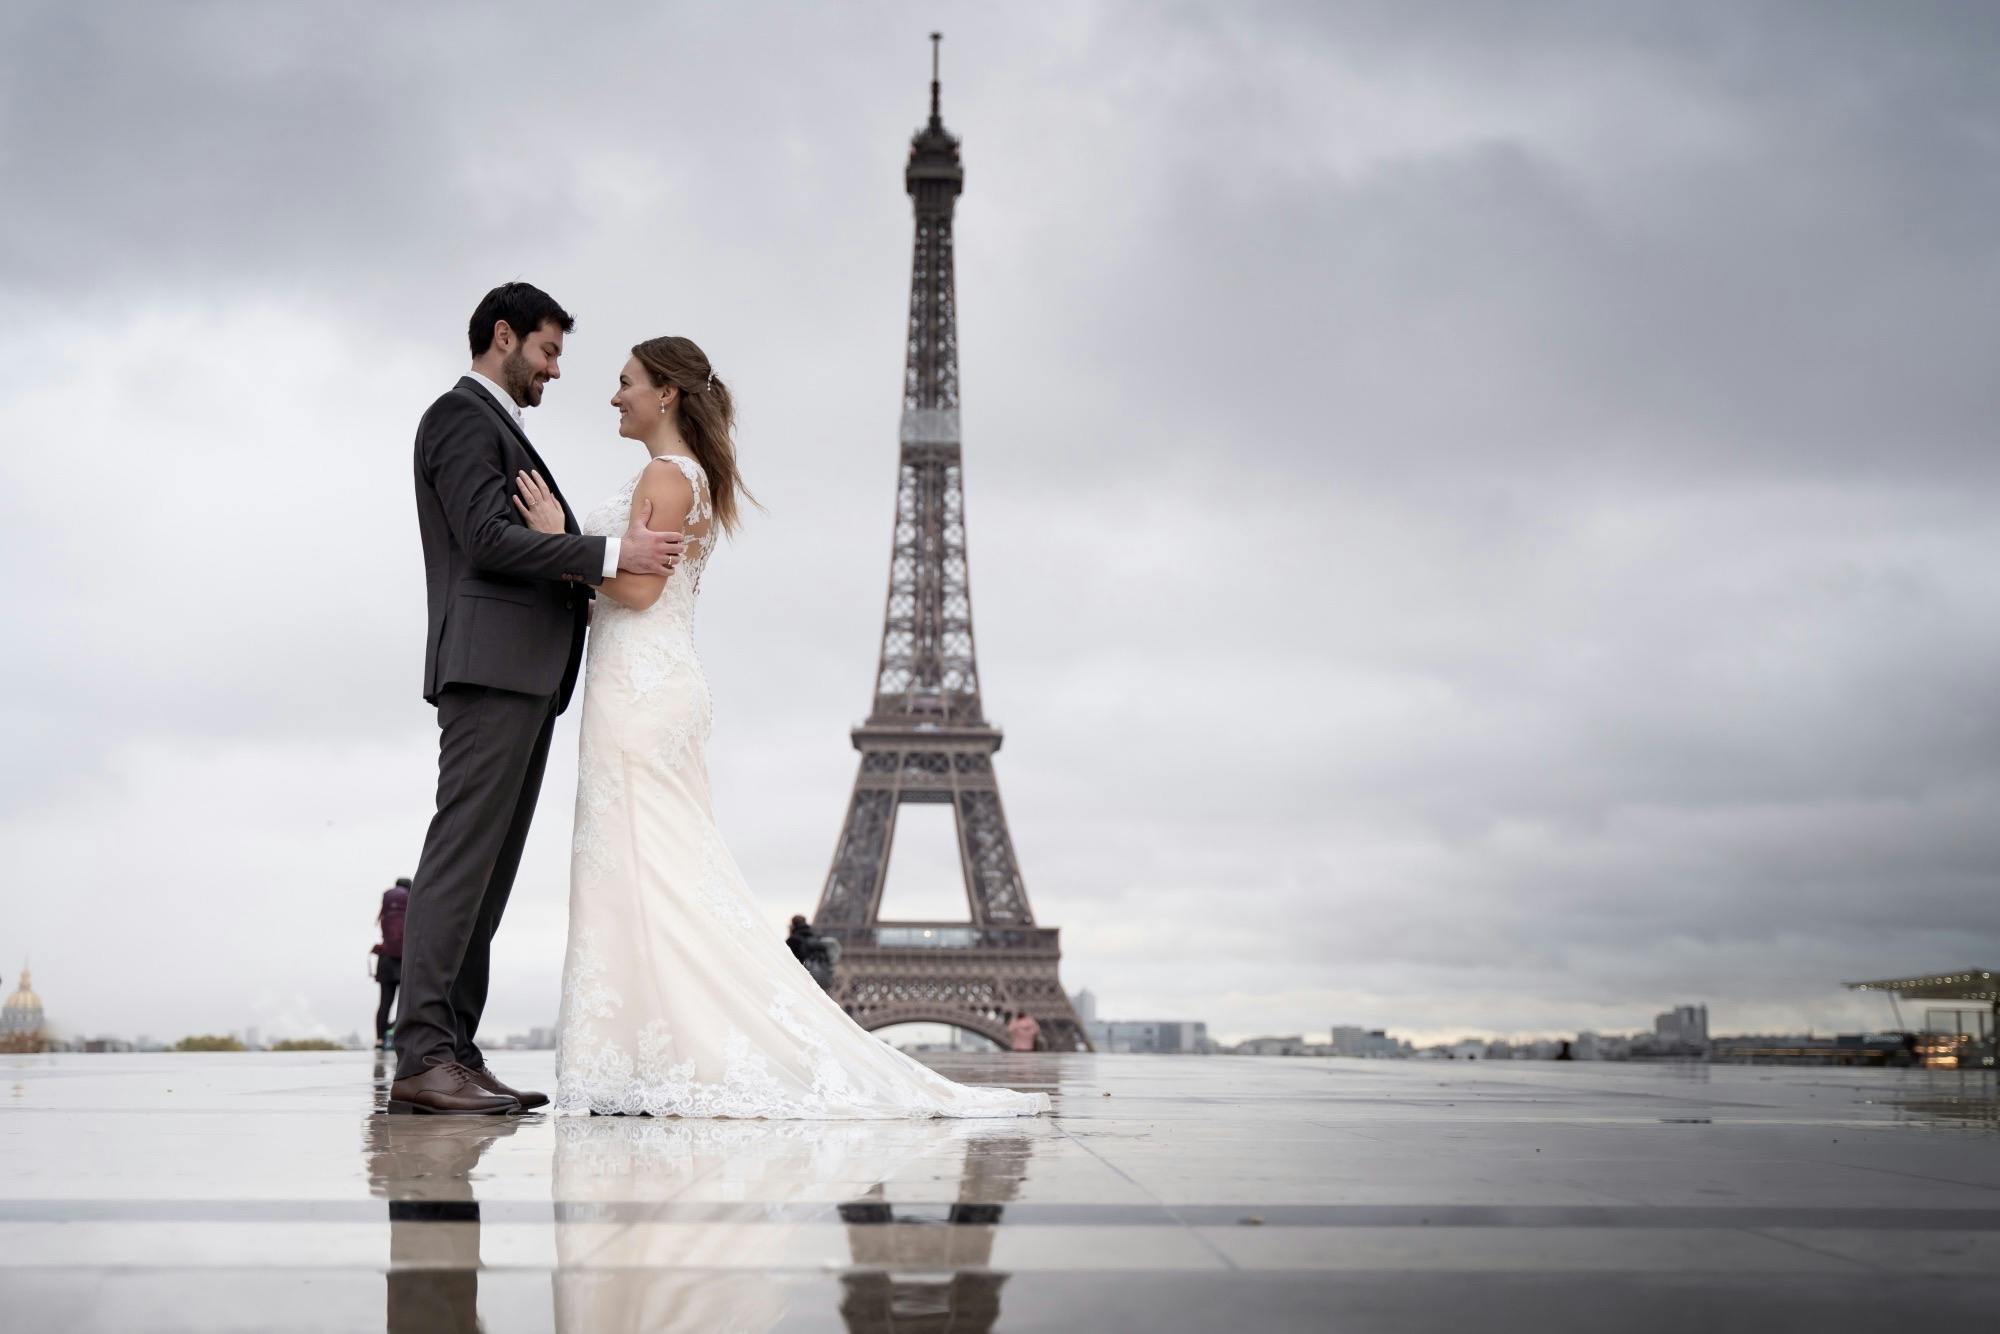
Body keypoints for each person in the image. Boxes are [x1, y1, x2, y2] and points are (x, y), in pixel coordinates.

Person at [530, 335, 1047, 1118]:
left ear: (666, 392)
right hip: (657, 685)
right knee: (659, 871)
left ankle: (647, 1051)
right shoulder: (690, 477)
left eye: (626, 381)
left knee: (644, 870)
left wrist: (551, 543)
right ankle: (658, 1048)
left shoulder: (668, 476)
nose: (615, 395)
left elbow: (636, 593)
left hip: (638, 689)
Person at [392, 284, 686, 1117]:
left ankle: (454, 1050)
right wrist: (605, 549)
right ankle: (422, 1056)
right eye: (549, 352)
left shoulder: (498, 427)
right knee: (460, 866)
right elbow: (486, 539)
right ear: (503, 336)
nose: (557, 372)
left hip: (520, 676)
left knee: (488, 874)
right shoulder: (457, 418)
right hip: (489, 672)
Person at [371, 878, 411, 1049]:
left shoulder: (387, 903)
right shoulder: (409, 900)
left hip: (385, 958)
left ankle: (380, 1039)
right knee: (407, 1001)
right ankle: (396, 1031)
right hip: (404, 959)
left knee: (385, 1002)